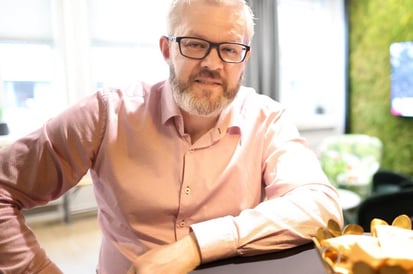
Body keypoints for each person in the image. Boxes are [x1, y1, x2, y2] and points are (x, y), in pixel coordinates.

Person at [0, 0, 343, 273]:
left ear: (244, 59)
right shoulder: (106, 115)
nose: (213, 63)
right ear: (167, 49)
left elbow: (319, 205)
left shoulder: (268, 119)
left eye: (229, 49)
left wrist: (195, 246)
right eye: (195, 44)